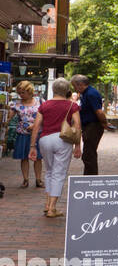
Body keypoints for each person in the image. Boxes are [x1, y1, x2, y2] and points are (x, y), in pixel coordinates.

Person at [30, 78, 81, 219]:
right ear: (67, 91)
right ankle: (52, 208)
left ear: (53, 89)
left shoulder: (44, 105)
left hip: (45, 140)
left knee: (50, 172)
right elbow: (77, 126)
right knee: (59, 173)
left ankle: (47, 204)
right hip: (62, 140)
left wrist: (32, 146)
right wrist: (78, 146)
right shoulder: (73, 106)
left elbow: (36, 126)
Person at [70, 76, 108, 176]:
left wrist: (104, 123)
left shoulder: (91, 94)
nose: (74, 89)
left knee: (89, 154)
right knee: (88, 153)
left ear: (80, 85)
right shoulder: (86, 93)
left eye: (75, 86)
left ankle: (90, 178)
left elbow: (98, 111)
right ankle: (89, 176)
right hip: (89, 126)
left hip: (93, 126)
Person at [9, 81, 44, 188]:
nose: (21, 95)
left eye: (23, 92)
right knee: (24, 157)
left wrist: (34, 125)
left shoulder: (40, 101)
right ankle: (25, 180)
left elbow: (46, 115)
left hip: (37, 133)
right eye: (19, 93)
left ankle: (38, 180)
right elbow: (8, 117)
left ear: (29, 91)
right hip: (23, 134)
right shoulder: (16, 104)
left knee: (38, 158)